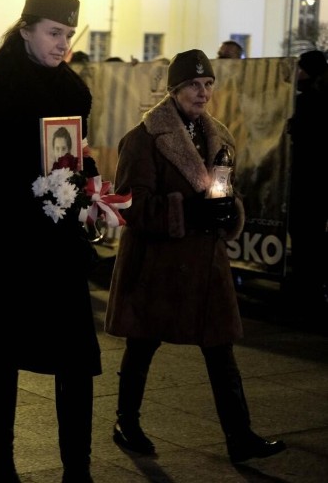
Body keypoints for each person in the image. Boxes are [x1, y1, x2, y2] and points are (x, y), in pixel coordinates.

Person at [105, 49, 287, 465]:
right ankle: (126, 423)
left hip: (205, 265)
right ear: (175, 89)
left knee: (221, 350)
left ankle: (239, 436)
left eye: (208, 85)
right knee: (142, 344)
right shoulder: (144, 137)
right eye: (193, 85)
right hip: (158, 265)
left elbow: (227, 191)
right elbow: (131, 205)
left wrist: (229, 212)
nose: (203, 93)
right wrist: (186, 211)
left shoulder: (219, 134)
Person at [0, 0, 101, 483]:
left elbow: (78, 154)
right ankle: (1, 458)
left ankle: (77, 467)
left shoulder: (73, 90)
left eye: (68, 34)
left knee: (76, 361)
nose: (62, 43)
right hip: (9, 250)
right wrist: (31, 197)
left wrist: (88, 192)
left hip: (60, 251)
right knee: (1, 357)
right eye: (53, 33)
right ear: (25, 30)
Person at [288, 50, 328, 307]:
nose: (297, 72)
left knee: (304, 231)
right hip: (318, 178)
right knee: (312, 231)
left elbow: (303, 136)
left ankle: (305, 285)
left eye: (300, 67)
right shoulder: (315, 97)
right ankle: (310, 282)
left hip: (307, 176)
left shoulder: (308, 101)